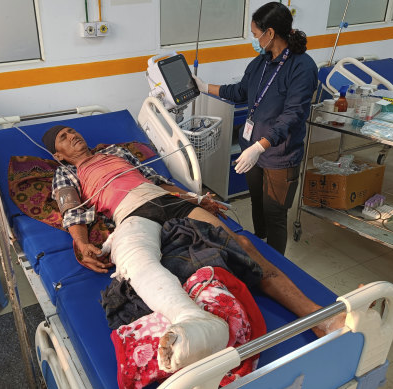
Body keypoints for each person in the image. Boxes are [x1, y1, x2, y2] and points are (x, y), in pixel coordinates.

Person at [42, 125, 343, 372]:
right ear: (60, 155)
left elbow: (157, 180)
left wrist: (196, 198)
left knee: (241, 244)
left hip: (166, 199)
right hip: (130, 214)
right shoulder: (66, 173)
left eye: (72, 131)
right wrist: (80, 242)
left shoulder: (117, 152)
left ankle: (319, 316)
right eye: (64, 139)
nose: (73, 136)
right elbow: (73, 210)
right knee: (138, 265)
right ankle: (191, 321)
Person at [193, 2, 318, 255]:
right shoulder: (261, 62)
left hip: (278, 156)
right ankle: (260, 251)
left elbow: (292, 116)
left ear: (270, 33)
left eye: (255, 33)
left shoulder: (302, 68)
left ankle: (276, 266)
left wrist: (260, 146)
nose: (254, 39)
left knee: (275, 215)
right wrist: (205, 87)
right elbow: (239, 91)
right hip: (253, 151)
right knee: (258, 206)